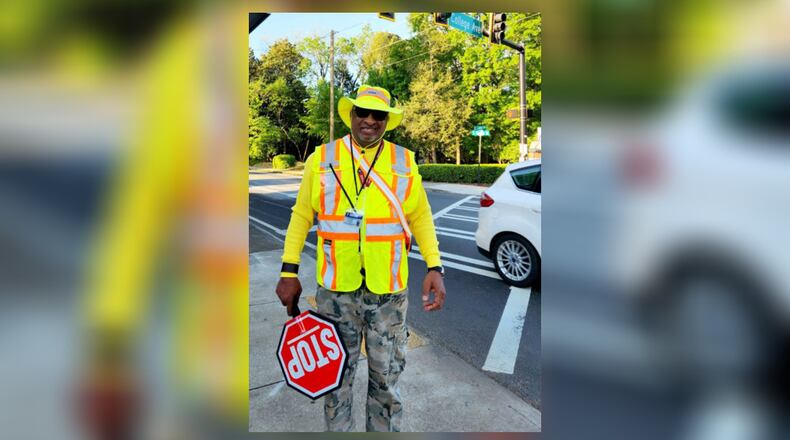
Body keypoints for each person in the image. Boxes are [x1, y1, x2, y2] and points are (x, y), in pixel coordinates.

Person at [275, 85, 446, 432]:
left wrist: (434, 265)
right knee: (335, 383)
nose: (369, 120)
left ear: (386, 120)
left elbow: (421, 217)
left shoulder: (403, 161)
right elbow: (301, 216)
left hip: (388, 293)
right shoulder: (322, 158)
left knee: (387, 384)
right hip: (337, 292)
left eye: (378, 115)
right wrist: (288, 270)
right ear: (350, 115)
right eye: (362, 113)